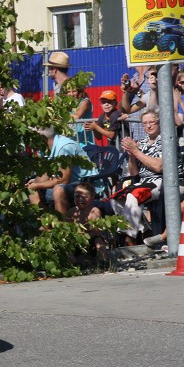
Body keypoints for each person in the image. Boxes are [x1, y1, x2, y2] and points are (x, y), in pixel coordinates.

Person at [111, 107, 168, 245]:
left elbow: (158, 167)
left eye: (152, 122)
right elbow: (134, 173)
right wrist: (131, 155)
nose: (148, 126)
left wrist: (136, 152)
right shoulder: (141, 143)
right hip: (143, 181)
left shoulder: (166, 140)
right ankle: (144, 230)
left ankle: (129, 238)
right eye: (145, 123)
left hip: (161, 181)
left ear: (159, 123)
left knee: (134, 195)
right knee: (116, 198)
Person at [25, 126, 94, 215]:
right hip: (66, 181)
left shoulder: (65, 147)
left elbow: (64, 180)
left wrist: (38, 185)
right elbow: (46, 172)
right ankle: (45, 222)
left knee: (58, 190)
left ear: (41, 138)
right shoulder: (46, 148)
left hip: (84, 182)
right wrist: (35, 183)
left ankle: (62, 226)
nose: (30, 141)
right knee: (31, 189)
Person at [67, 181, 108, 264]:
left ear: (92, 197)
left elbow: (96, 231)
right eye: (77, 196)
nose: (80, 199)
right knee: (67, 245)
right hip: (76, 239)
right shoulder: (72, 211)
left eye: (84, 197)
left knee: (99, 241)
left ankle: (104, 261)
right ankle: (74, 264)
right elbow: (67, 227)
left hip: (91, 238)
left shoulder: (94, 211)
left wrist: (85, 235)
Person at [120, 66, 159, 141]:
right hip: (140, 134)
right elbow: (128, 110)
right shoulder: (147, 94)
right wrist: (126, 91)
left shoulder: (165, 92)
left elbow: (152, 107)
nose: (152, 79)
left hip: (158, 136)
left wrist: (137, 90)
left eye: (154, 76)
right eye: (149, 77)